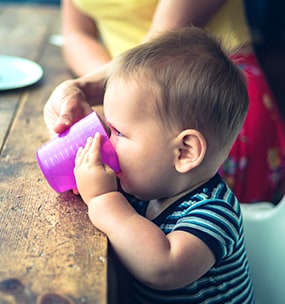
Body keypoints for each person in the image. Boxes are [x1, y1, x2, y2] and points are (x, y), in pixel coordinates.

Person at [73, 27, 254, 303]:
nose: (108, 143)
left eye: (119, 133)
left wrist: (103, 198)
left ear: (184, 152)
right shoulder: (150, 188)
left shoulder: (215, 211)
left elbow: (164, 267)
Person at [44, 0, 285, 204]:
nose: (108, 136)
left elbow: (163, 43)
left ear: (185, 151)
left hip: (202, 101)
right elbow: (77, 33)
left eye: (114, 133)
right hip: (130, 98)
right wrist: (113, 97)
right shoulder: (127, 105)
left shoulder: (207, 205)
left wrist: (104, 200)